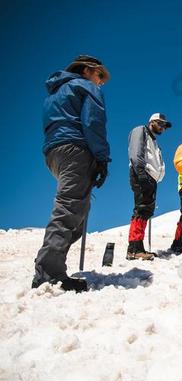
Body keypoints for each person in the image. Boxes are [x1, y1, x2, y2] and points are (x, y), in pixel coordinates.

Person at [33, 55, 111, 292]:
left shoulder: (55, 94)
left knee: (77, 211)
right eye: (100, 76)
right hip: (76, 149)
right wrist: (102, 158)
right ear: (88, 71)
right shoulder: (85, 87)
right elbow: (93, 122)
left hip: (54, 153)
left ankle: (53, 267)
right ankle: (49, 274)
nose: (101, 82)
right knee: (69, 209)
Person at [126, 113, 172, 260]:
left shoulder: (154, 140)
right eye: (160, 124)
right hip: (142, 175)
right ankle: (134, 249)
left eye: (164, 126)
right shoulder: (140, 131)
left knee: (145, 210)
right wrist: (141, 174)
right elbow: (135, 153)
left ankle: (138, 247)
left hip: (151, 178)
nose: (163, 128)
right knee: (141, 209)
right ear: (152, 122)